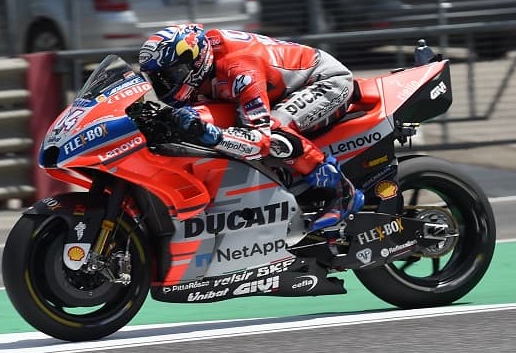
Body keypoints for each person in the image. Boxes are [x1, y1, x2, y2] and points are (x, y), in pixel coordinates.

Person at [138, 23, 364, 231]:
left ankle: (341, 192)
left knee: (274, 132)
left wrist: (214, 136)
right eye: (158, 80)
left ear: (193, 62)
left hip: (324, 81)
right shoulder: (204, 68)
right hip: (277, 89)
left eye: (170, 76)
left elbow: (260, 141)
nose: (165, 85)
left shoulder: (240, 69)